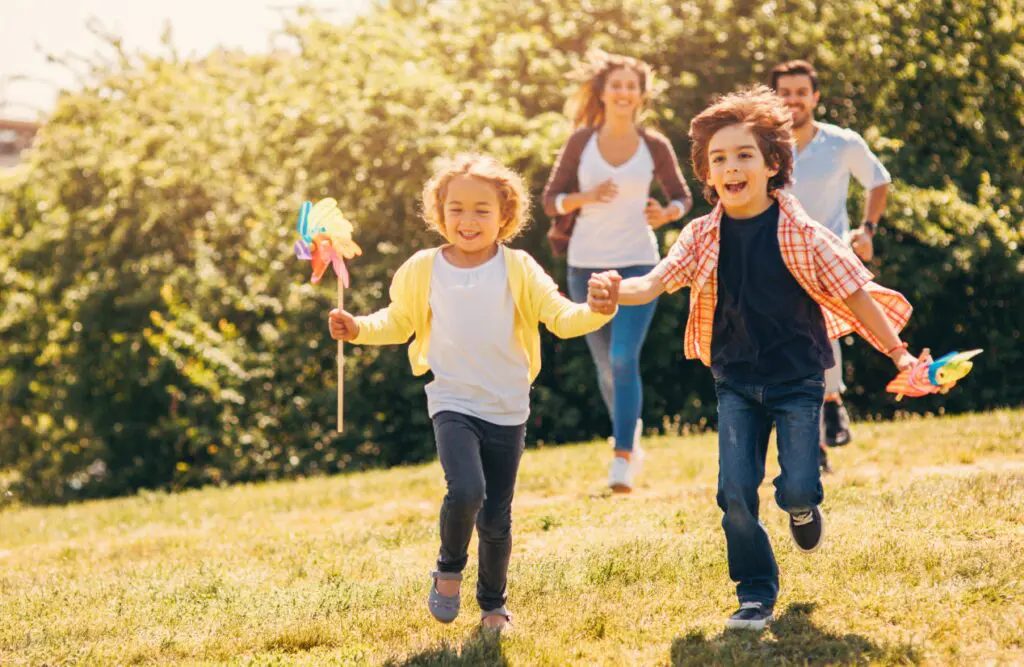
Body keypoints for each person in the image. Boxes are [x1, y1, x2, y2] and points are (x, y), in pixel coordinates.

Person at [588, 87, 918, 631]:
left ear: (772, 165)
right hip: (736, 380)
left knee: (797, 488)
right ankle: (755, 594)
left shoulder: (803, 234)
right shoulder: (701, 234)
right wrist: (614, 288)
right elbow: (654, 283)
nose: (731, 167)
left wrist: (900, 354)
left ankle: (803, 506)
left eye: (744, 155)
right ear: (707, 175)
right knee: (734, 493)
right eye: (719, 159)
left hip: (797, 380)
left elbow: (858, 293)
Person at [328, 154, 619, 632]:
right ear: (439, 213)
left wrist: (597, 309)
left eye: (482, 210)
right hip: (452, 402)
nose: (468, 220)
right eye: (456, 208)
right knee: (466, 490)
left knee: (497, 518)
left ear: (505, 216)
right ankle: (447, 568)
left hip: (507, 408)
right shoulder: (422, 268)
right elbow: (397, 322)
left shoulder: (519, 268)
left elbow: (562, 318)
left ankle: (493, 606)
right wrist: (357, 327)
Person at [542, 49, 693, 492]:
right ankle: (629, 431)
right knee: (607, 367)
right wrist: (582, 198)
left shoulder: (654, 145)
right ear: (603, 93)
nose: (624, 93)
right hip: (584, 267)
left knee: (624, 357)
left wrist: (667, 213)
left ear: (641, 95)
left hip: (638, 264)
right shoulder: (580, 142)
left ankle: (622, 456)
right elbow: (550, 199)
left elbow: (682, 198)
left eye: (632, 86)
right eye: (617, 86)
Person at [770, 59, 893, 466]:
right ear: (775, 97)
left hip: (829, 253)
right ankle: (819, 434)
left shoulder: (842, 143)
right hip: (775, 255)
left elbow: (878, 180)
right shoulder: (764, 145)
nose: (793, 100)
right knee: (791, 345)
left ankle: (832, 400)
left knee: (821, 326)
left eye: (801, 93)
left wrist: (867, 231)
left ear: (815, 97)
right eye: (785, 93)